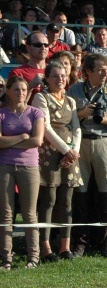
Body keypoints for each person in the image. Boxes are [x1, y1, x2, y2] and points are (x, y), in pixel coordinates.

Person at [68, 54, 107, 259]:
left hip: (104, 140)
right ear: (88, 71)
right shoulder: (74, 90)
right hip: (80, 141)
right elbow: (65, 118)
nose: (105, 74)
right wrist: (80, 114)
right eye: (101, 70)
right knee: (80, 192)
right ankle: (80, 243)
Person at [33, 62, 82, 262]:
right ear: (47, 78)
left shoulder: (70, 100)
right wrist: (66, 150)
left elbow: (76, 127)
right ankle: (45, 248)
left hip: (69, 155)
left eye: (63, 75)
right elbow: (45, 127)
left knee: (66, 200)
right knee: (49, 200)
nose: (60, 79)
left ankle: (65, 247)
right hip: (50, 154)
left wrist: (74, 151)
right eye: (55, 76)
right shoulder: (41, 97)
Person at [0, 75, 45, 269]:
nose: (21, 93)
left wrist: (9, 142)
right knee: (6, 214)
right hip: (4, 166)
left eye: (24, 90)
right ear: (8, 92)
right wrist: (22, 137)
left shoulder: (36, 113)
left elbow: (37, 141)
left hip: (29, 166)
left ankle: (33, 257)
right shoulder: (1, 114)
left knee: (29, 213)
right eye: (17, 89)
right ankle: (6, 259)